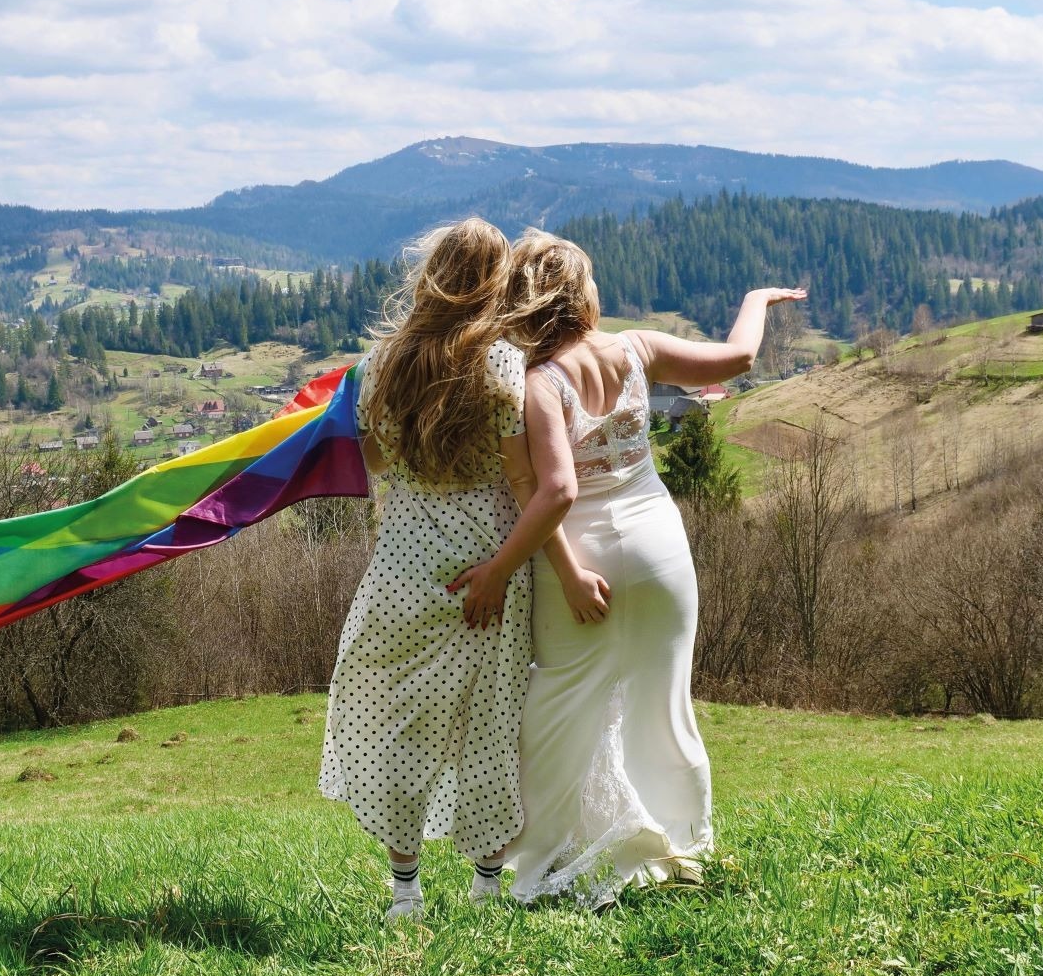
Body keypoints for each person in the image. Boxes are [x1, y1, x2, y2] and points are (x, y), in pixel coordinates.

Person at [494, 228, 806, 906]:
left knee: (556, 707)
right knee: (666, 703)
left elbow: (552, 493)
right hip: (660, 545)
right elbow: (739, 356)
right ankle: (684, 843)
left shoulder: (539, 383)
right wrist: (756, 298)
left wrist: (557, 574)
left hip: (579, 558)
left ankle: (547, 865)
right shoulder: (637, 348)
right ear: (581, 294)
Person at [318, 218, 577, 921]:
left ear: (431, 272)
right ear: (495, 282)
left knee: (393, 718)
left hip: (404, 563)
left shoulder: (381, 365)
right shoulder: (500, 362)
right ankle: (487, 883)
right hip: (486, 566)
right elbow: (524, 480)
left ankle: (406, 890)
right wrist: (503, 568)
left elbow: (370, 463)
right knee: (490, 721)